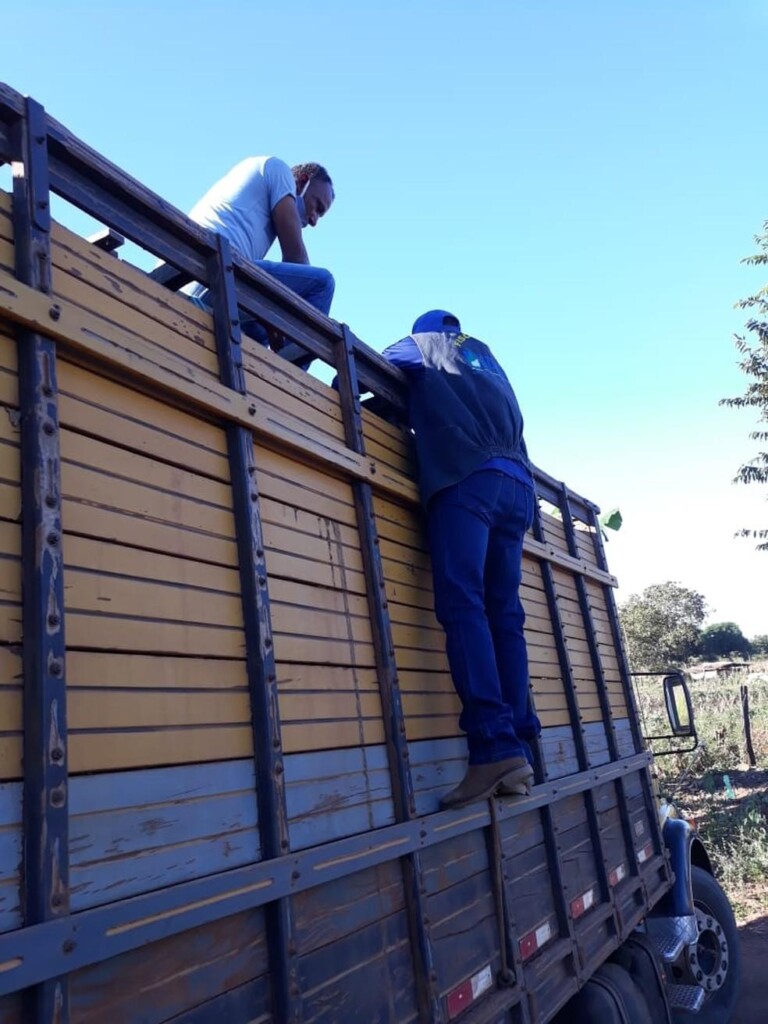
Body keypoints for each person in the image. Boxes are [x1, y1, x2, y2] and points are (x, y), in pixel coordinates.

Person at [382, 310, 541, 809]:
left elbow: (371, 366)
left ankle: (493, 750)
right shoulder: (488, 357)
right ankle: (520, 748)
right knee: (505, 616)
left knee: (463, 605)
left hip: (467, 476)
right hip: (518, 486)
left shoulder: (422, 343)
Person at [184, 157, 335, 366]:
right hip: (210, 270)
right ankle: (294, 381)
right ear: (301, 181)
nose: (314, 220)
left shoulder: (256, 211)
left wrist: (272, 317)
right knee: (322, 283)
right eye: (317, 206)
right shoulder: (278, 170)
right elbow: (296, 257)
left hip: (209, 275)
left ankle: (257, 380)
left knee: (260, 330)